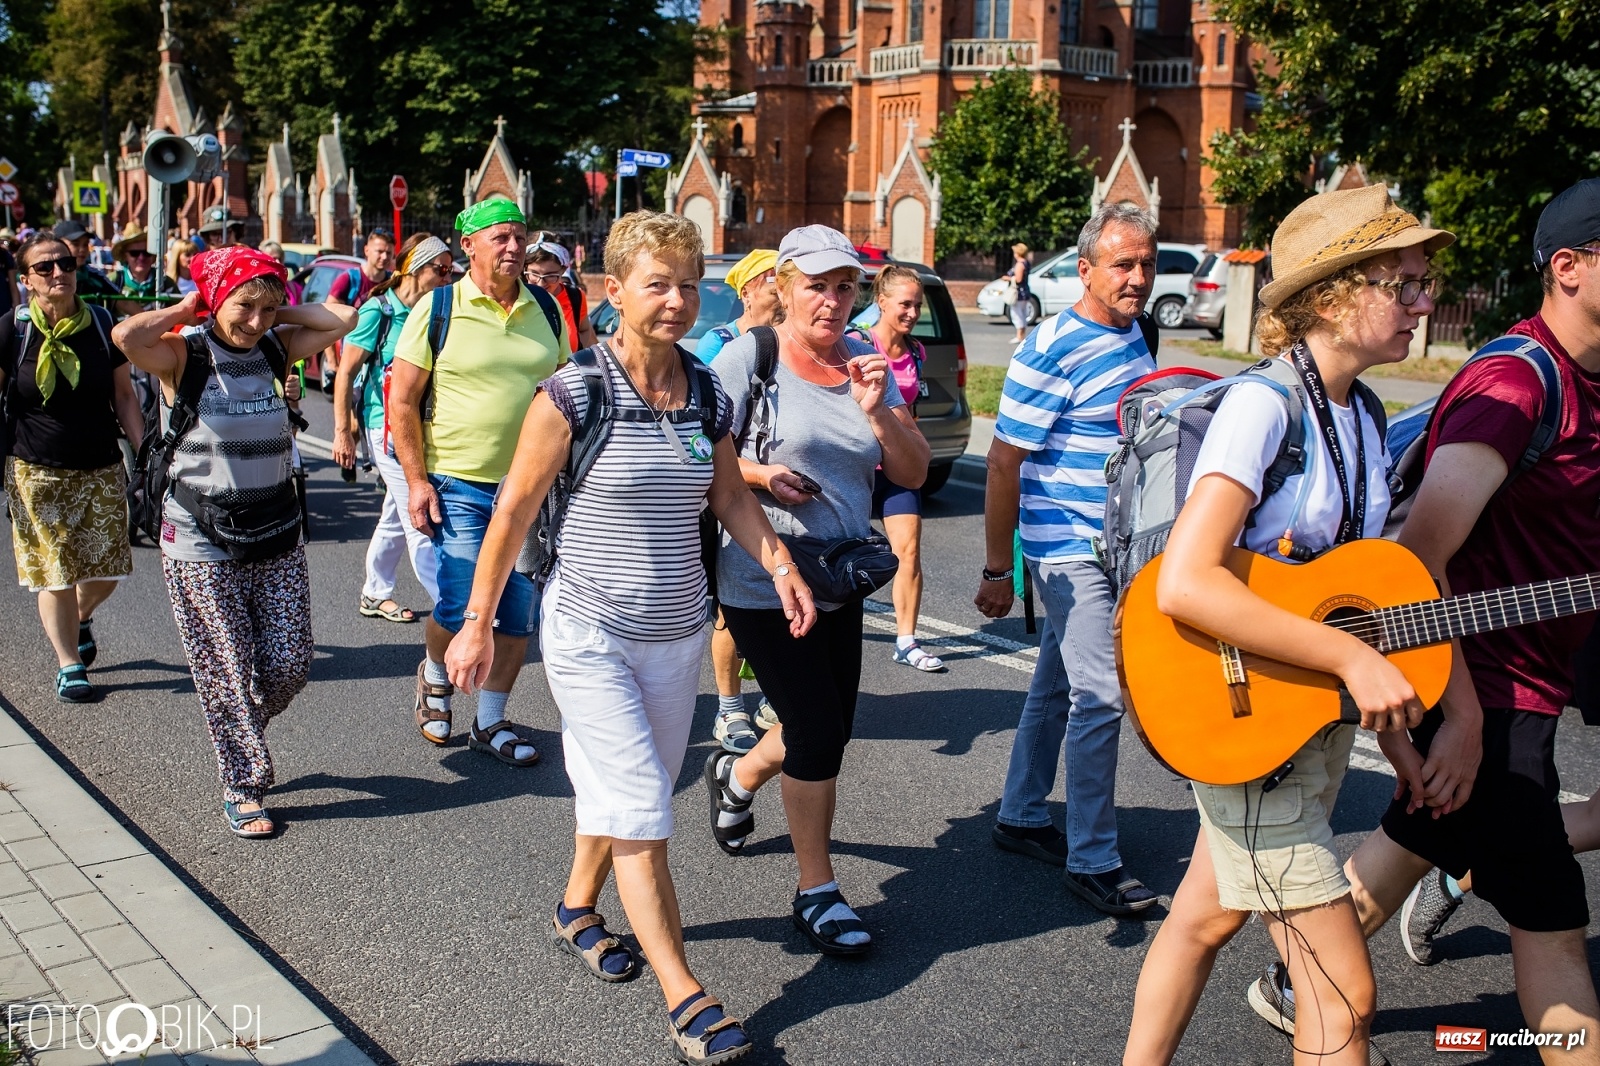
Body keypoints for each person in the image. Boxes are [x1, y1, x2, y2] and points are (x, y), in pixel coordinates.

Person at [1244, 179, 1600, 1066]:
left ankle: (1296, 983)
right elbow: (1416, 567)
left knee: (1423, 831)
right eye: (1403, 286)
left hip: (1526, 685)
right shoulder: (1515, 385)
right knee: (1553, 928)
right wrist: (1467, 720)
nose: (1422, 300)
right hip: (1481, 687)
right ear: (1569, 268)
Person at [446, 210, 813, 1066]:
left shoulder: (707, 392)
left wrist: (781, 565)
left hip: (676, 630)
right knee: (644, 809)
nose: (678, 301)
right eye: (658, 284)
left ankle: (577, 905)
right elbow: (513, 511)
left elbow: (729, 498)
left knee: (626, 789)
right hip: (590, 631)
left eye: (690, 285)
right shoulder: (574, 392)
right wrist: (473, 623)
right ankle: (685, 993)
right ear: (616, 293)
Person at [1121, 185, 1450, 1066]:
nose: (1425, 304)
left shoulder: (1365, 414)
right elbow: (1186, 584)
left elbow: (1354, 601)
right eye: (1405, 284)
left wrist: (1402, 736)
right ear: (1337, 293)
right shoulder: (1265, 406)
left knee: (1200, 920)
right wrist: (1347, 652)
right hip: (1247, 734)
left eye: (1426, 283)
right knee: (1343, 999)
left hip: (1293, 728)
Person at [704, 224, 930, 956]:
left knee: (825, 724)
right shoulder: (751, 358)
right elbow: (705, 461)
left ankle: (736, 778)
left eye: (844, 288)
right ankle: (817, 891)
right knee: (817, 734)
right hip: (763, 579)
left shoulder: (866, 365)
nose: (831, 302)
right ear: (784, 286)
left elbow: (914, 471)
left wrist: (877, 411)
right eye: (817, 286)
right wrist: (766, 477)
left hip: (839, 579)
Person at [111, 247, 358, 837]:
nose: (256, 322)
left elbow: (342, 319)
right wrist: (190, 307)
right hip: (198, 535)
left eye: (267, 309)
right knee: (226, 662)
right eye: (245, 307)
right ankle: (242, 782)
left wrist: (279, 311)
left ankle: (237, 722)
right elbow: (125, 336)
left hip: (273, 528)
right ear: (215, 301)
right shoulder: (184, 354)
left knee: (291, 663)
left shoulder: (274, 344)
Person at [977, 203, 1161, 916]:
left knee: (1055, 688)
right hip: (1066, 549)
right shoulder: (1050, 349)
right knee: (1101, 696)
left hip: (1117, 545)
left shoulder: (1137, 332)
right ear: (1084, 270)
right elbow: (1001, 461)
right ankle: (1093, 859)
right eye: (1123, 264)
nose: (1138, 277)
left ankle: (1021, 815)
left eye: (1146, 263)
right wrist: (1000, 569)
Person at [388, 199, 568, 766]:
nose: (513, 247)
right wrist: (416, 481)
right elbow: (403, 402)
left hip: (530, 486)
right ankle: (436, 673)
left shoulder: (548, 307)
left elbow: (567, 388)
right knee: (463, 600)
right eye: (500, 237)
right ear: (468, 246)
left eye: (519, 237)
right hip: (460, 481)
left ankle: (490, 720)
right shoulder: (438, 307)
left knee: (517, 612)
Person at [1, 233, 144, 702]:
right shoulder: (11, 331)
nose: (58, 272)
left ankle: (80, 617)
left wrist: (143, 453)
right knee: (55, 569)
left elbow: (123, 395)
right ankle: (69, 663)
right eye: (44, 267)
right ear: (27, 280)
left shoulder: (102, 325)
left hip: (101, 465)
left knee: (108, 567)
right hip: (34, 469)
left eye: (64, 263)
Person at [331, 233, 454, 623]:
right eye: (442, 269)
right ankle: (451, 608)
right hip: (382, 425)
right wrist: (341, 431)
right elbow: (345, 371)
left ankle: (374, 592)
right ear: (418, 268)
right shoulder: (378, 311)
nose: (449, 277)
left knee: (395, 513)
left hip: (421, 424)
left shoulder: (436, 310)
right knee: (420, 519)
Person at [701, 248, 781, 755]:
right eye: (772, 280)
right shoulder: (722, 343)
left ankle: (775, 693)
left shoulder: (794, 344)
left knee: (785, 600)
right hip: (733, 493)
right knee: (730, 609)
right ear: (747, 289)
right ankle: (729, 708)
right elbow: (704, 424)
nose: (780, 288)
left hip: (786, 495)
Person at [854, 264, 944, 672]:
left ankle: (906, 640)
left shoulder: (916, 354)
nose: (912, 312)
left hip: (894, 466)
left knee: (908, 550)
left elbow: (910, 413)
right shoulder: (856, 343)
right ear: (882, 302)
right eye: (904, 304)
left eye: (917, 305)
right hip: (854, 463)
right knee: (842, 552)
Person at [696, 248, 778, 364]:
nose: (786, 302)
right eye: (776, 294)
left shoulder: (794, 342)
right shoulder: (718, 343)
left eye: (789, 294)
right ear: (746, 295)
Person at [525, 234, 599, 351]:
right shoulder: (516, 296)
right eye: (534, 274)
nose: (540, 283)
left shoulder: (575, 297)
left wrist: (575, 356)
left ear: (563, 270)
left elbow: (584, 329)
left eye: (550, 276)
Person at [53, 221, 122, 304]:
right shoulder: (48, 276)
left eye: (85, 244)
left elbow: (123, 302)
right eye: (75, 244)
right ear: (56, 245)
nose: (82, 249)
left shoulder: (94, 275)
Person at [327, 229, 396, 310]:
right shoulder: (348, 279)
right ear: (366, 250)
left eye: (389, 253)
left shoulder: (393, 282)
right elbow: (331, 313)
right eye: (379, 251)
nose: (384, 257)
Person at [1008, 242, 1032, 346]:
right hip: (1024, 291)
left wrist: (1007, 278)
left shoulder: (1019, 264)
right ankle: (1021, 335)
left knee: (1017, 313)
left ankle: (1019, 336)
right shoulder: (1026, 262)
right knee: (1022, 313)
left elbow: (1018, 279)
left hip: (1018, 292)